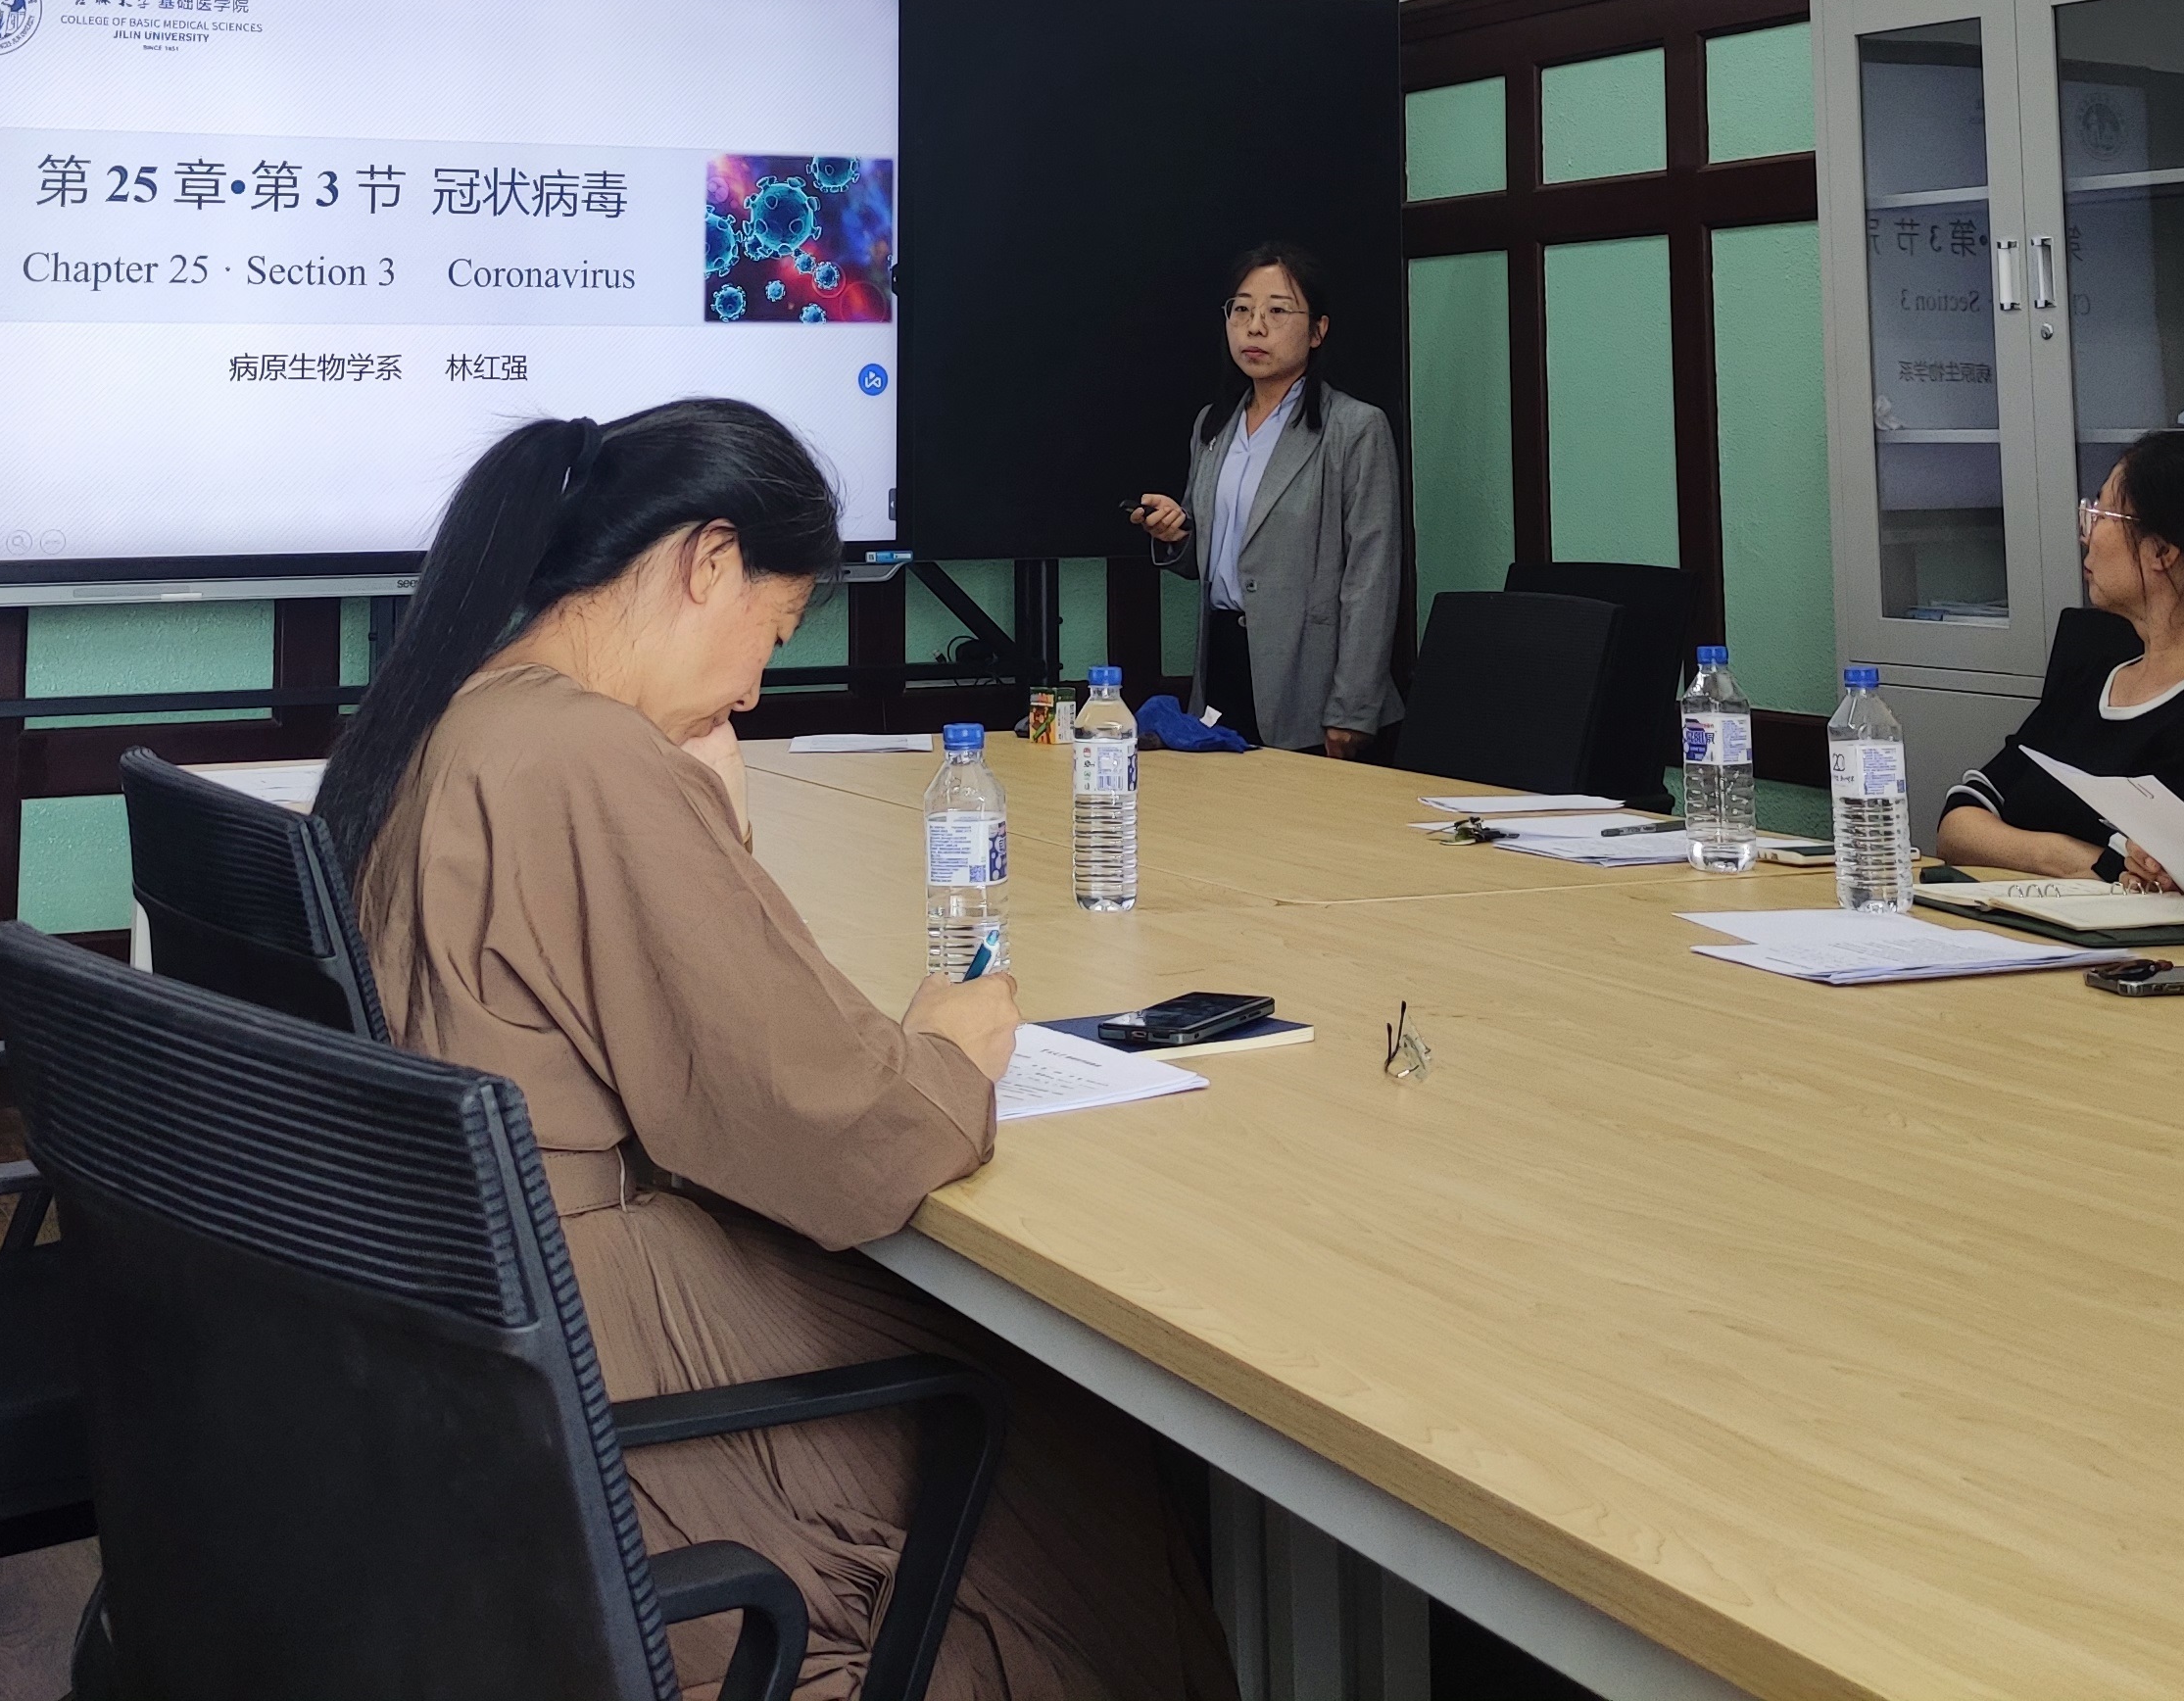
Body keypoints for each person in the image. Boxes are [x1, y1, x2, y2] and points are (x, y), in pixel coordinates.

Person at [329, 400, 1235, 1701]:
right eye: (776, 627)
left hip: (483, 1335)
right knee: (1068, 1417)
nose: (755, 686)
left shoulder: (471, 712)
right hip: (600, 1337)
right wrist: (946, 1050)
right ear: (707, 561)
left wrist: (708, 820)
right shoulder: (582, 754)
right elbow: (824, 1124)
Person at [1930, 428, 2184, 878]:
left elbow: (2151, 877)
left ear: (2162, 550)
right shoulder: (2095, 678)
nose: (2087, 535)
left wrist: (2035, 850)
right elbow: (1959, 822)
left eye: (2102, 514)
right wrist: (2065, 856)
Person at [1124, 239, 1404, 754]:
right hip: (1222, 661)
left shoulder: (1354, 428)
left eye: (1277, 311)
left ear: (1318, 330)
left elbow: (1373, 577)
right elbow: (1211, 554)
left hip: (1309, 675)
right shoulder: (1213, 424)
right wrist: (1176, 533)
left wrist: (1353, 706)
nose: (1255, 327)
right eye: (1241, 310)